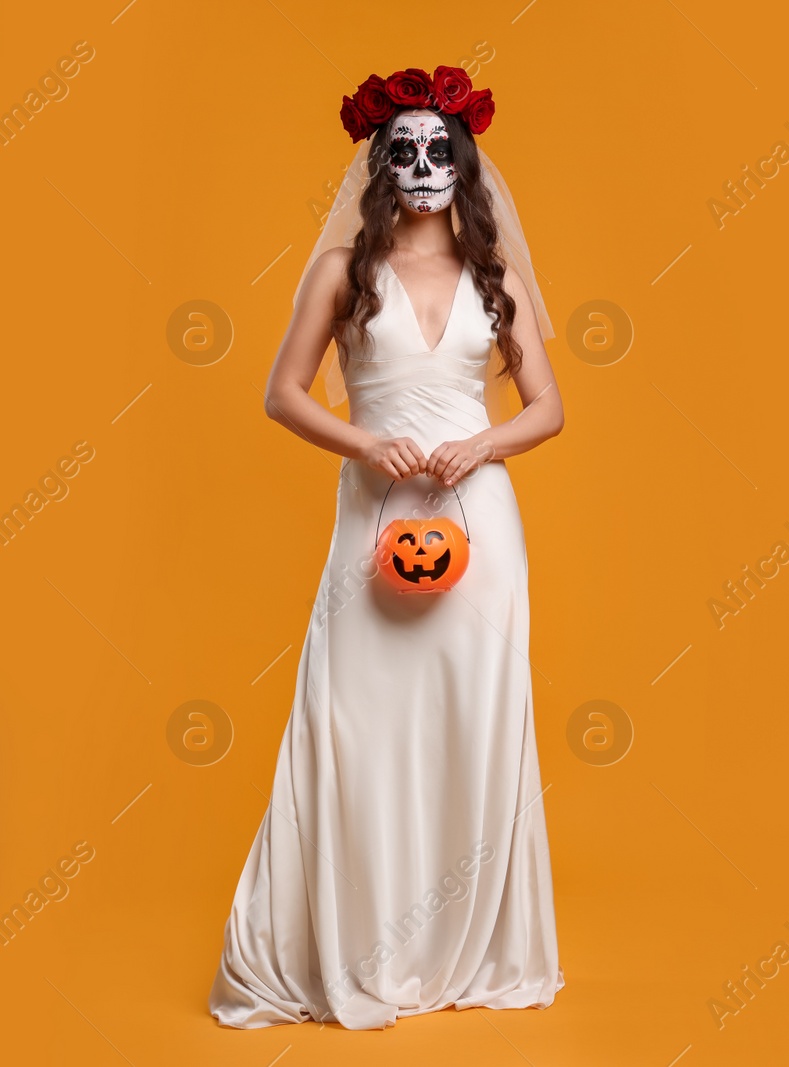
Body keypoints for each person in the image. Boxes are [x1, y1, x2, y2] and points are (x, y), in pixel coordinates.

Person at [208, 65, 565, 1030]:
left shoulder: (499, 279)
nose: (421, 165)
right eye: (402, 150)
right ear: (379, 165)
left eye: (438, 149)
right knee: (359, 722)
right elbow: (283, 393)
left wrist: (482, 443)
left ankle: (469, 939)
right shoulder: (342, 273)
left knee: (471, 717)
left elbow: (549, 408)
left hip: (478, 524)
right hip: (375, 519)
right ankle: (365, 941)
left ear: (463, 163)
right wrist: (367, 442)